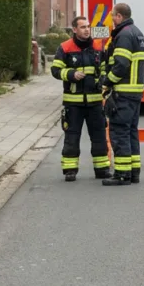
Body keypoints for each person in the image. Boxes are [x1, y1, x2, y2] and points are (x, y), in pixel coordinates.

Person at [50, 16, 110, 182]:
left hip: (95, 102)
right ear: (74, 30)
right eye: (83, 27)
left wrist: (103, 79)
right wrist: (71, 74)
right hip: (73, 103)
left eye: (88, 27)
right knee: (72, 137)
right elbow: (55, 70)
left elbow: (105, 68)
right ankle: (70, 170)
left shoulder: (98, 47)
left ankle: (102, 169)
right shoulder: (65, 47)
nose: (86, 30)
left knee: (99, 137)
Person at [99, 3, 144, 187]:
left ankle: (122, 174)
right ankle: (134, 172)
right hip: (134, 92)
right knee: (131, 132)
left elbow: (121, 65)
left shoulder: (124, 35)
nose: (112, 19)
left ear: (119, 16)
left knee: (119, 132)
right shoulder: (137, 33)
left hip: (124, 92)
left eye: (113, 16)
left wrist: (107, 82)